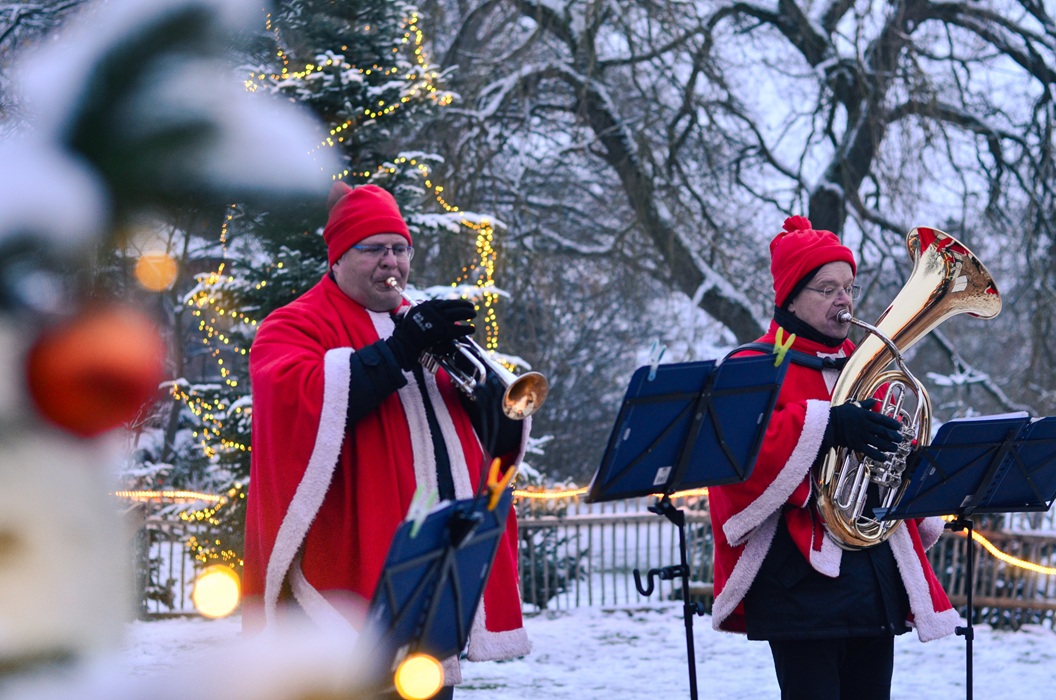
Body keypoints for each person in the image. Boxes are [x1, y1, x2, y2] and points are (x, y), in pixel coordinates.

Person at [242, 182, 531, 694]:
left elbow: (489, 435)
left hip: (433, 562)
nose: (390, 262)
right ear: (337, 258)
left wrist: (488, 392)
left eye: (399, 248)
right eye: (372, 249)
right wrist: (401, 349)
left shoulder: (414, 322)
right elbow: (302, 402)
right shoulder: (292, 324)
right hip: (348, 560)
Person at [708, 216, 960, 700]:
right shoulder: (750, 367)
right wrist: (827, 425)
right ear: (790, 297)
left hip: (874, 575)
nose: (844, 300)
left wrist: (900, 460)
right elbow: (740, 462)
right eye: (827, 288)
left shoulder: (864, 364)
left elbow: (884, 465)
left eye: (848, 287)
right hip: (798, 581)